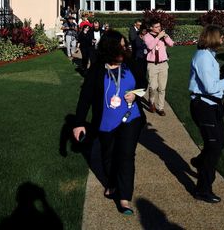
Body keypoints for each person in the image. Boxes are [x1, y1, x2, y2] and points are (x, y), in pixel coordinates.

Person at [73, 30, 146, 215]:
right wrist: (78, 123)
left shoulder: (131, 63)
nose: (124, 48)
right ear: (109, 48)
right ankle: (112, 183)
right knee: (108, 156)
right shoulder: (97, 69)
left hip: (132, 117)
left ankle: (124, 197)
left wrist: (135, 94)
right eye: (120, 46)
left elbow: (144, 85)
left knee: (126, 156)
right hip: (106, 121)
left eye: (124, 45)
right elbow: (85, 97)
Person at [188, 25, 224, 204]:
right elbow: (209, 87)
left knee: (220, 140)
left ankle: (200, 162)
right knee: (214, 146)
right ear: (214, 37)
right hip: (203, 106)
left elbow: (211, 81)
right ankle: (203, 189)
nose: (223, 39)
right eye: (221, 36)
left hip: (212, 105)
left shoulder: (209, 55)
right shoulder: (202, 57)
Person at [143, 20, 174, 116]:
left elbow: (171, 44)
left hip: (163, 64)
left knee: (162, 88)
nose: (159, 28)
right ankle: (151, 101)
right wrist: (158, 37)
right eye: (156, 27)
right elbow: (150, 46)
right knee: (153, 86)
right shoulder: (147, 36)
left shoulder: (163, 35)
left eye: (159, 26)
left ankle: (160, 107)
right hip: (152, 65)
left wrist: (165, 36)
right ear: (151, 28)